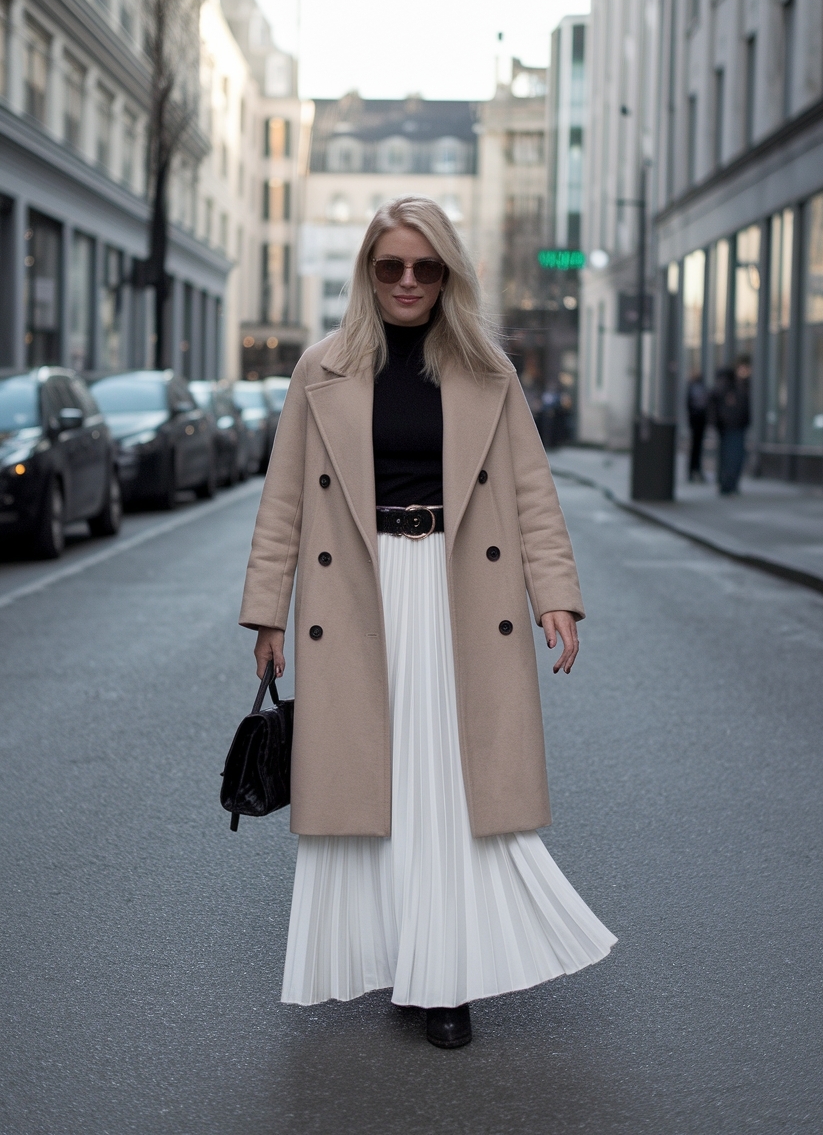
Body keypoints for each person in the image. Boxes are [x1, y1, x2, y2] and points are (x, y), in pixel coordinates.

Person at [239, 196, 616, 1050]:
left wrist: (554, 594)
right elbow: (284, 501)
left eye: (425, 267)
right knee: (377, 788)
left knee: (445, 789)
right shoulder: (321, 369)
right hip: (358, 596)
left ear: (448, 275)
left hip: (457, 595)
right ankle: (402, 956)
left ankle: (443, 978)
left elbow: (531, 494)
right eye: (390, 267)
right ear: (368, 273)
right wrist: (267, 613)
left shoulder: (487, 371)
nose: (407, 282)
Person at [709, 356, 751, 495]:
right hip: (733, 427)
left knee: (726, 456)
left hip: (727, 427)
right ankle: (728, 484)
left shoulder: (720, 388)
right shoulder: (733, 388)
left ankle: (725, 483)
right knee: (733, 456)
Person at [686, 373, 708, 481]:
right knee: (696, 447)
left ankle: (694, 470)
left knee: (696, 447)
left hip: (698, 422)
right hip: (697, 422)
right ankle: (694, 470)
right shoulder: (696, 388)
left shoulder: (696, 388)